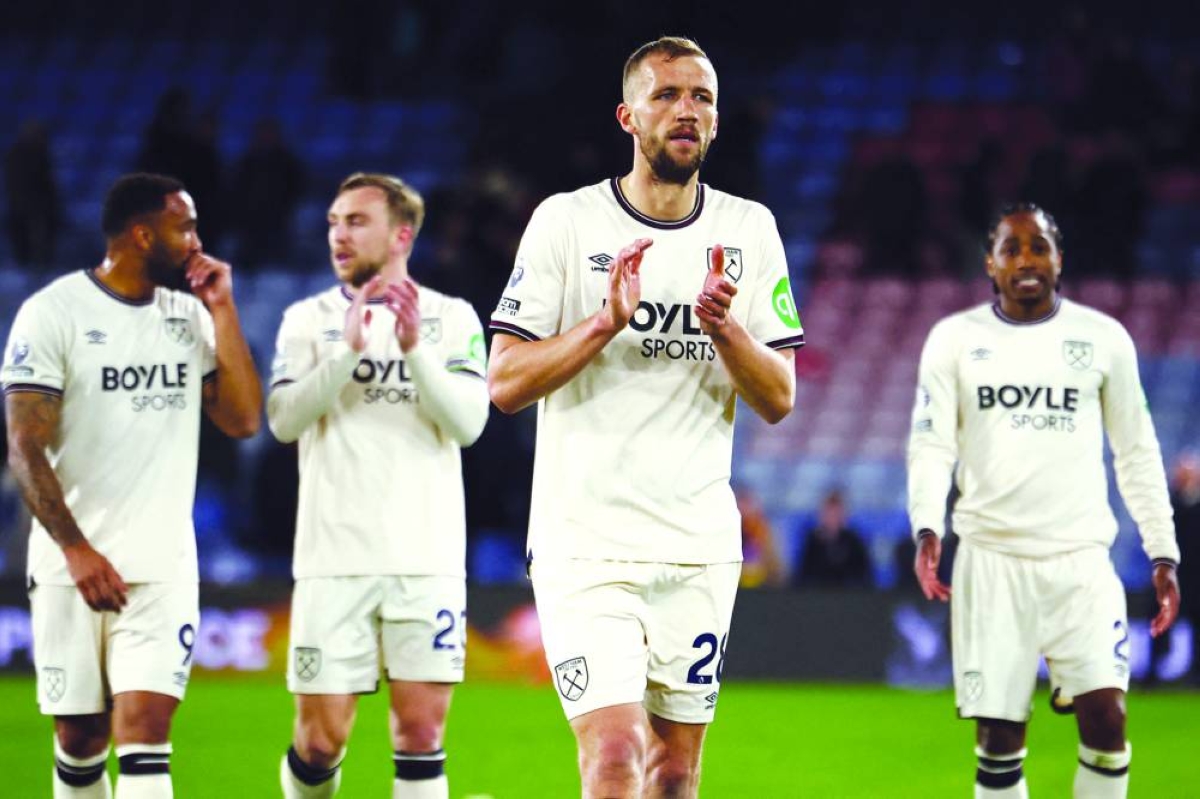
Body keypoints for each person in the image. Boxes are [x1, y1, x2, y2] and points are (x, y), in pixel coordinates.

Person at [488, 37, 803, 798]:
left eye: (701, 97)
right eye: (666, 95)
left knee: (674, 772)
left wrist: (726, 329)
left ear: (717, 122)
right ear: (628, 116)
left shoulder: (749, 230)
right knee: (615, 752)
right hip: (586, 546)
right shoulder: (567, 222)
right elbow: (504, 382)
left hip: (698, 548)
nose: (686, 110)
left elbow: (779, 397)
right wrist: (603, 323)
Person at [907, 202, 1181, 798]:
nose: (1026, 260)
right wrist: (927, 526)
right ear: (990, 263)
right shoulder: (954, 339)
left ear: (1060, 259)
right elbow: (931, 445)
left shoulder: (1104, 339)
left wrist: (1163, 551)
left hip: (1080, 561)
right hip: (992, 560)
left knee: (1108, 719)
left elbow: (1137, 452)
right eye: (1011, 248)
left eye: (1039, 246)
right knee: (999, 740)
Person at [2, 172, 261, 798]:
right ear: (143, 235)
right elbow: (24, 445)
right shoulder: (53, 313)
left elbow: (244, 420)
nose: (197, 241)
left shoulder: (188, 316)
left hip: (163, 566)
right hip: (73, 568)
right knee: (81, 739)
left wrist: (223, 309)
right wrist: (75, 548)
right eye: (185, 227)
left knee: (145, 731)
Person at [268, 173, 488, 799]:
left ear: (402, 236)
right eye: (334, 222)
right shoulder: (306, 320)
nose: (338, 234)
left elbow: (469, 424)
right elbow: (283, 421)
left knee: (420, 734)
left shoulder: (452, 318)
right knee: (320, 743)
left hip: (427, 562)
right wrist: (346, 352)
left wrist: (414, 350)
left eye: (356, 221)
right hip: (333, 561)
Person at [794, 490, 871, 588]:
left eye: (836, 513)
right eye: (829, 513)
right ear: (822, 515)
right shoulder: (812, 540)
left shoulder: (853, 540)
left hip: (848, 593)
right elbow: (802, 576)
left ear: (844, 515)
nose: (833, 518)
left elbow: (864, 574)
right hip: (818, 593)